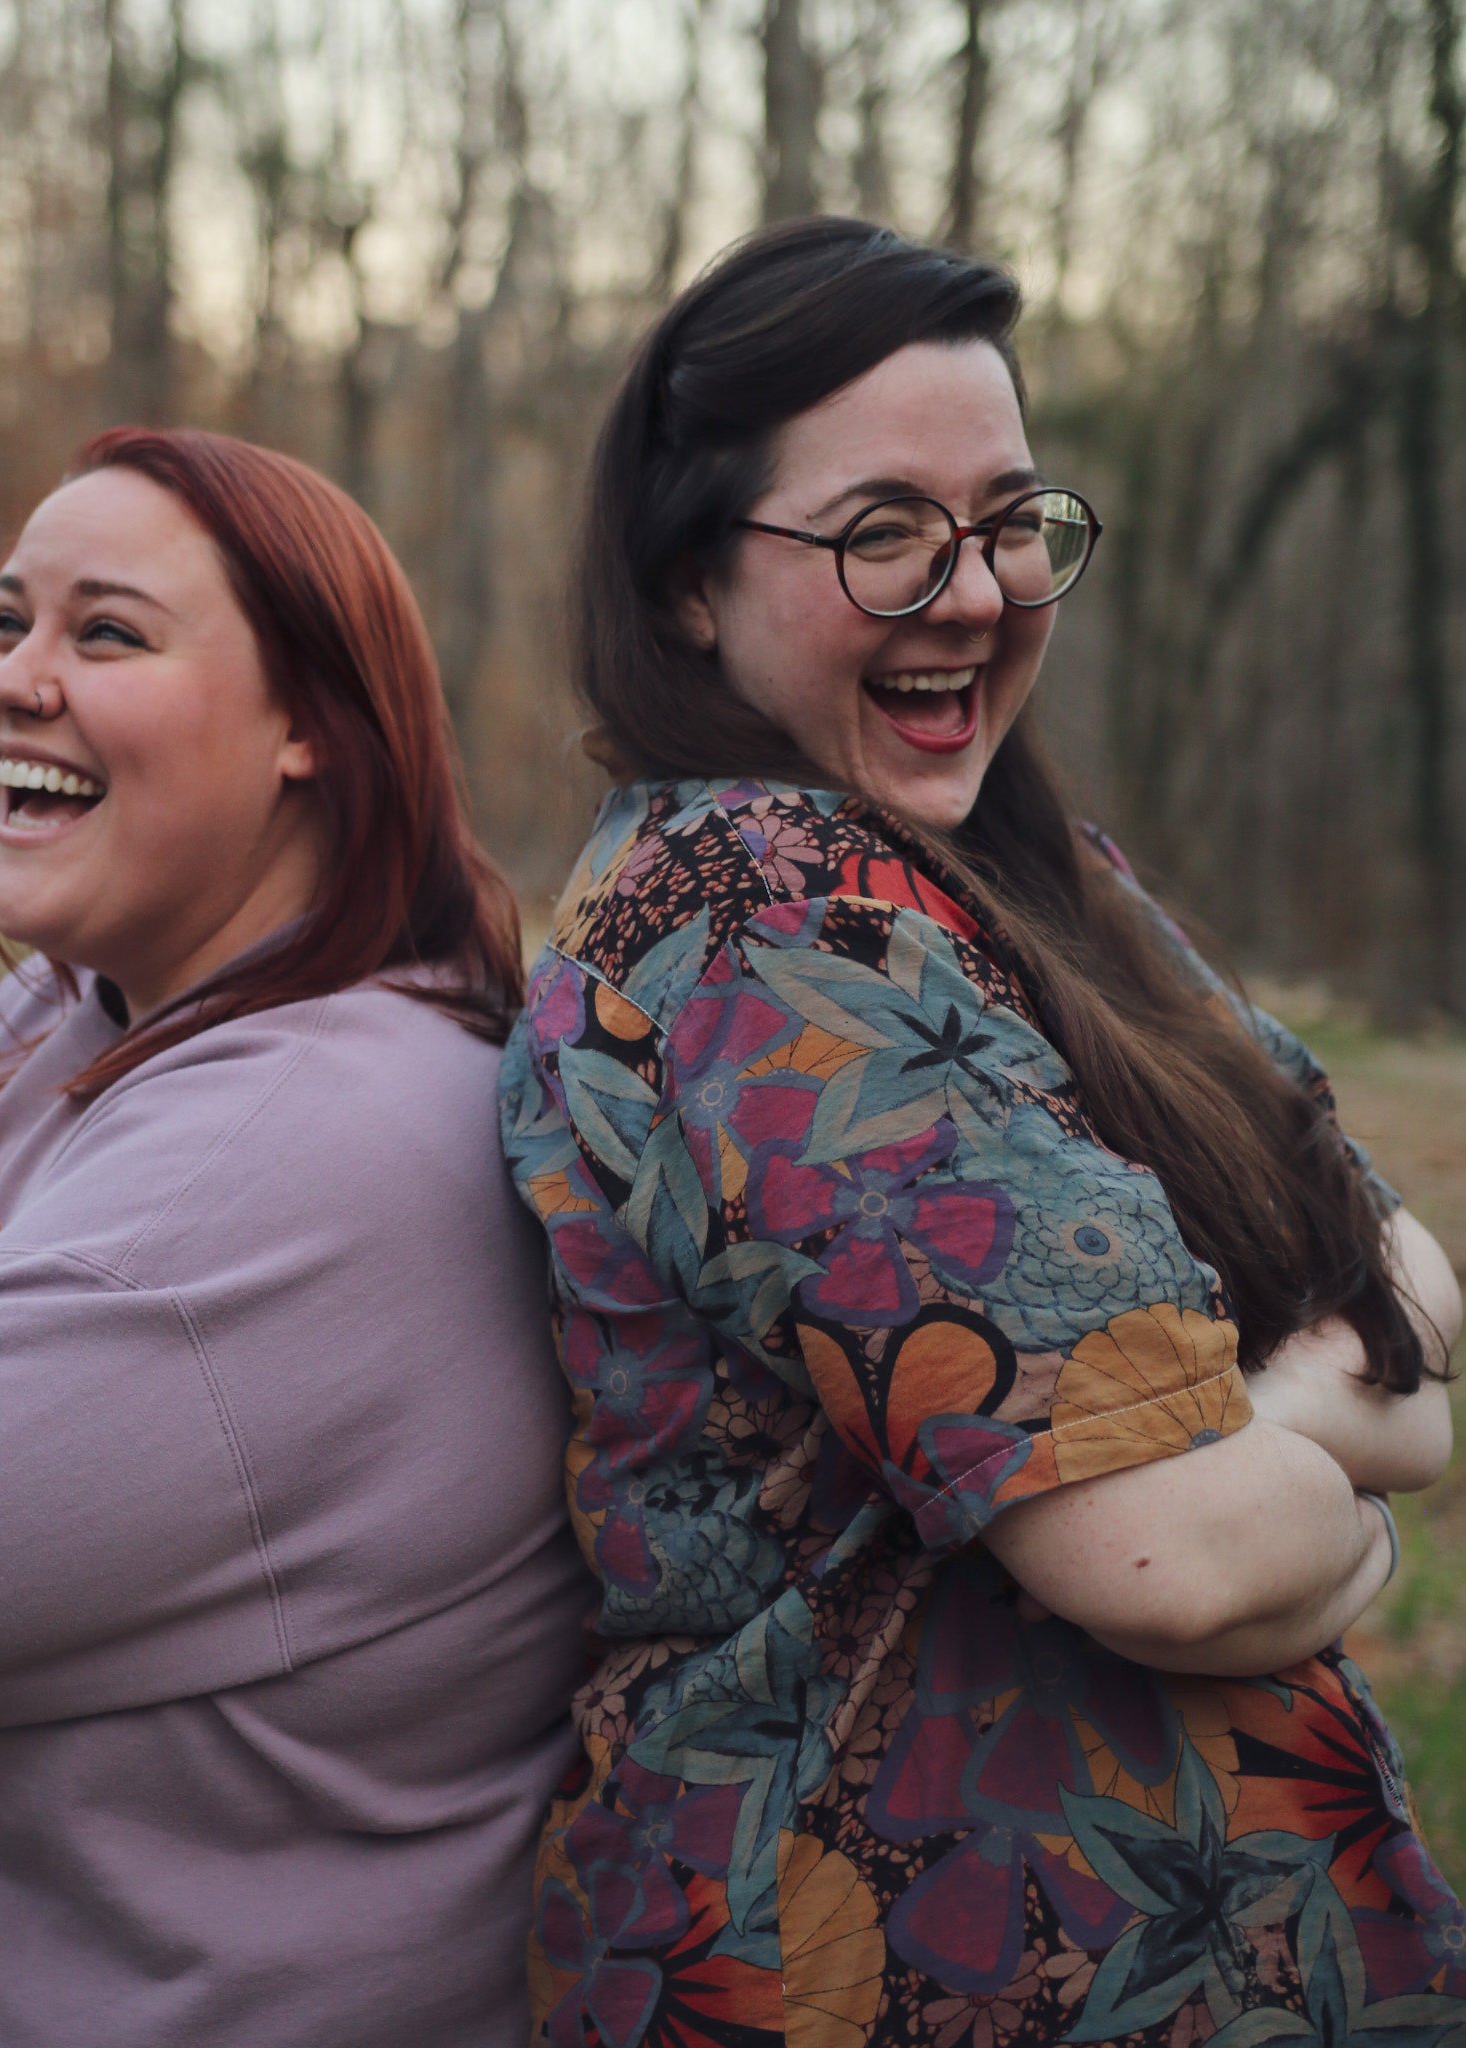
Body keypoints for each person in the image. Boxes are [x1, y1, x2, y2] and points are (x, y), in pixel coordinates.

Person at [499, 219, 1466, 2047]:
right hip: (893, 1957)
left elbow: (1401, 1276)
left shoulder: (1017, 867)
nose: (975, 590)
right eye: (881, 532)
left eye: (1013, 520)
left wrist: (1279, 1457)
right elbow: (1180, 1557)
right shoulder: (755, 918)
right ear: (692, 581)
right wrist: (1343, 1508)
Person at [0, 426, 591, 2048]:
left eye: (105, 632)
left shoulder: (297, 1156)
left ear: (309, 731)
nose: (12, 681)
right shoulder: (81, 1007)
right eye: (2, 623)